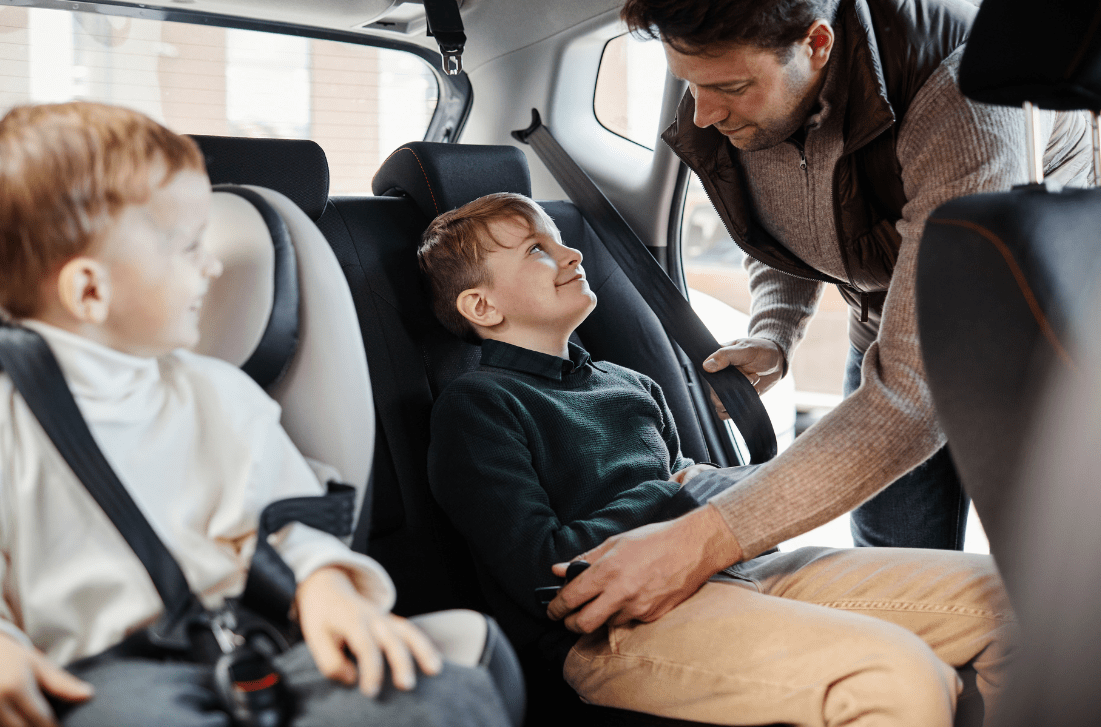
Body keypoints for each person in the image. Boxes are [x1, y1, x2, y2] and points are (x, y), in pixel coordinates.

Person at [543, 0, 1094, 634]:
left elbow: (916, 388)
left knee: (1044, 592)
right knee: (893, 556)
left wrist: (701, 539)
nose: (702, 115)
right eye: (689, 85)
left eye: (729, 87)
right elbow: (787, 220)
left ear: (816, 43)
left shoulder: (956, 93)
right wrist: (774, 333)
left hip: (1031, 331)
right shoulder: (732, 89)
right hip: (884, 324)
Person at [0, 102, 517, 727]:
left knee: (440, 693)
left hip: (260, 650)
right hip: (104, 682)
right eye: (190, 246)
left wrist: (324, 585)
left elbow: (292, 524)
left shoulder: (218, 394)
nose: (214, 264)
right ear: (89, 290)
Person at [420, 191, 1015, 726]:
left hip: (728, 567)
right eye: (536, 250)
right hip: (615, 630)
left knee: (1014, 600)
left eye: (560, 238)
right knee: (896, 675)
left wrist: (710, 495)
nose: (571, 253)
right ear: (482, 306)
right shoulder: (478, 406)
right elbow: (544, 571)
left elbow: (688, 488)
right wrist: (684, 494)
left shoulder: (628, 383)